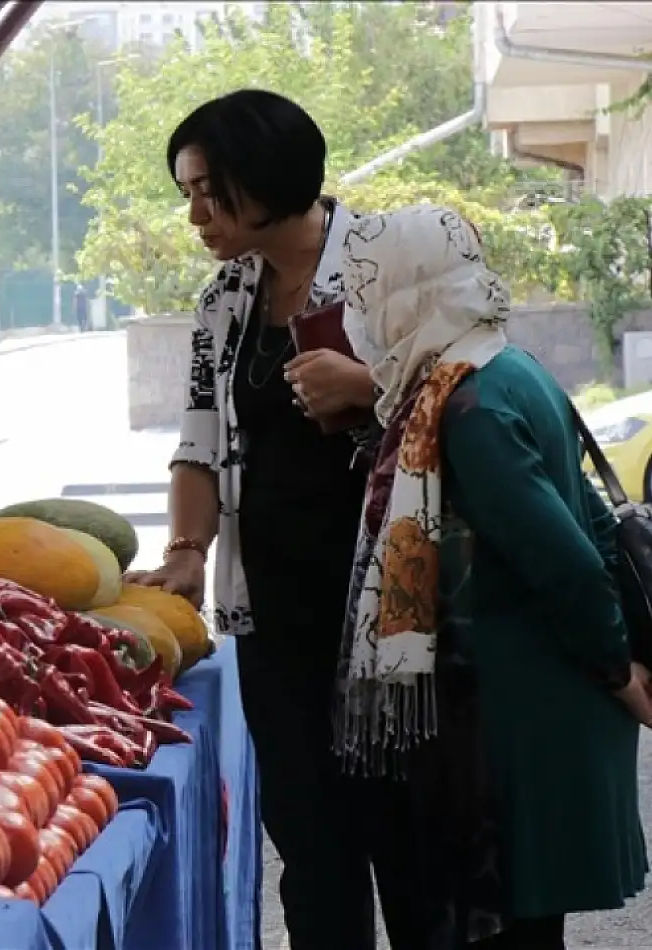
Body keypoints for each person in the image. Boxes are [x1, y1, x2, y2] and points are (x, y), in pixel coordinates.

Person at [125, 89, 444, 949]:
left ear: (263, 177)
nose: (192, 212)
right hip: (273, 617)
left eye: (205, 189)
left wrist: (369, 387)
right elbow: (199, 442)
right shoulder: (223, 300)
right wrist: (187, 552)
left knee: (415, 847)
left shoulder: (396, 262)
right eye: (185, 191)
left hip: (397, 617)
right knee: (312, 851)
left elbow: (483, 402)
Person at [333, 204, 650, 950]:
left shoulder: (466, 405)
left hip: (520, 719)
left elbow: (564, 557)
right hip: (523, 705)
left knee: (510, 931)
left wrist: (617, 672)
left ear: (409, 292)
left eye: (364, 290)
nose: (356, 314)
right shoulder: (499, 364)